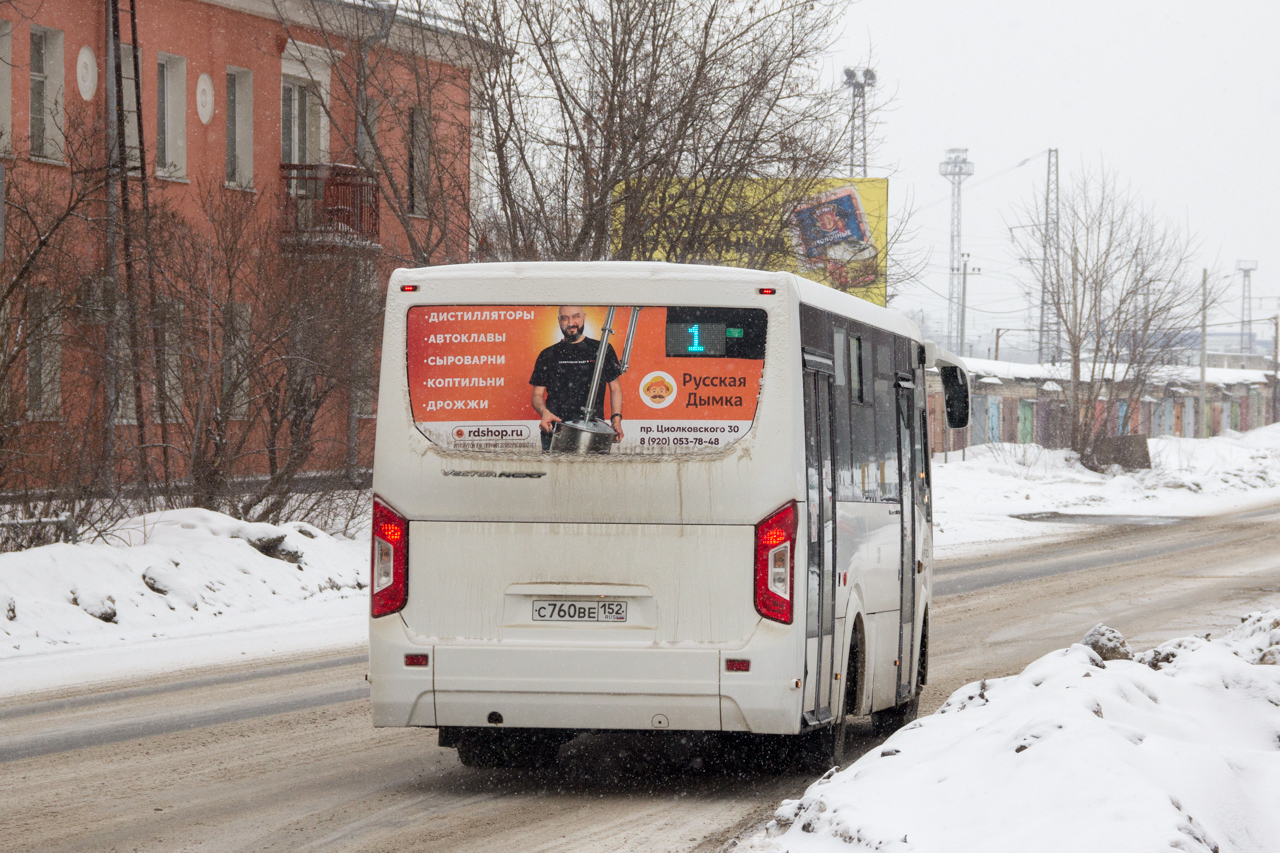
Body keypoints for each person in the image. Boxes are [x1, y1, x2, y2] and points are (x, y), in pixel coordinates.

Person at [529, 306, 624, 450]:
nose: (571, 322)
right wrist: (544, 412)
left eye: (576, 317)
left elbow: (615, 388)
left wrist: (616, 419)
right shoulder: (547, 354)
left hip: (593, 429)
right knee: (555, 472)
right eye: (565, 318)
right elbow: (537, 395)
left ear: (584, 317)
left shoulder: (602, 349)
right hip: (555, 429)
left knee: (593, 472)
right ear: (559, 320)